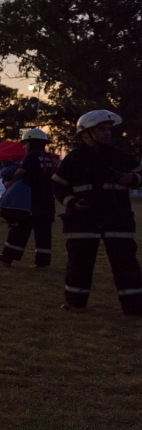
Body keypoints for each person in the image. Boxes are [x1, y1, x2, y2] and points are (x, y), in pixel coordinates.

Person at [50, 110, 142, 315]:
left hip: (117, 218)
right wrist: (72, 202)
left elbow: (140, 172)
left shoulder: (119, 156)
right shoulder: (73, 159)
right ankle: (75, 302)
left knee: (126, 264)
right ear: (86, 133)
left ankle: (135, 306)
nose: (108, 133)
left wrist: (134, 179)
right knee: (79, 263)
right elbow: (58, 186)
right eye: (102, 129)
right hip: (83, 220)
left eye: (109, 129)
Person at [0, 129, 57, 268]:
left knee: (19, 228)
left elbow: (21, 171)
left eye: (25, 143)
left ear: (32, 143)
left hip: (31, 199)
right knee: (43, 232)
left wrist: (10, 183)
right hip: (48, 199)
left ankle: (7, 257)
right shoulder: (50, 157)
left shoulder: (31, 156)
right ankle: (42, 262)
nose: (24, 147)